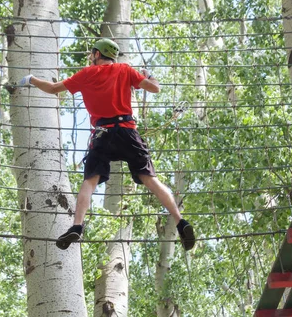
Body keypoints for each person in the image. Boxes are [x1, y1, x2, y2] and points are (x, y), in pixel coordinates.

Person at [18, 38, 195, 251]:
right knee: (150, 179)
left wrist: (32, 79)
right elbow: (155, 88)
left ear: (97, 54)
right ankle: (180, 221)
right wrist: (148, 75)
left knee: (90, 181)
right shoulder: (125, 70)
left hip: (102, 133)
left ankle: (77, 226)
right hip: (127, 131)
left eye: (92, 53)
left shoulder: (86, 74)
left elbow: (54, 88)